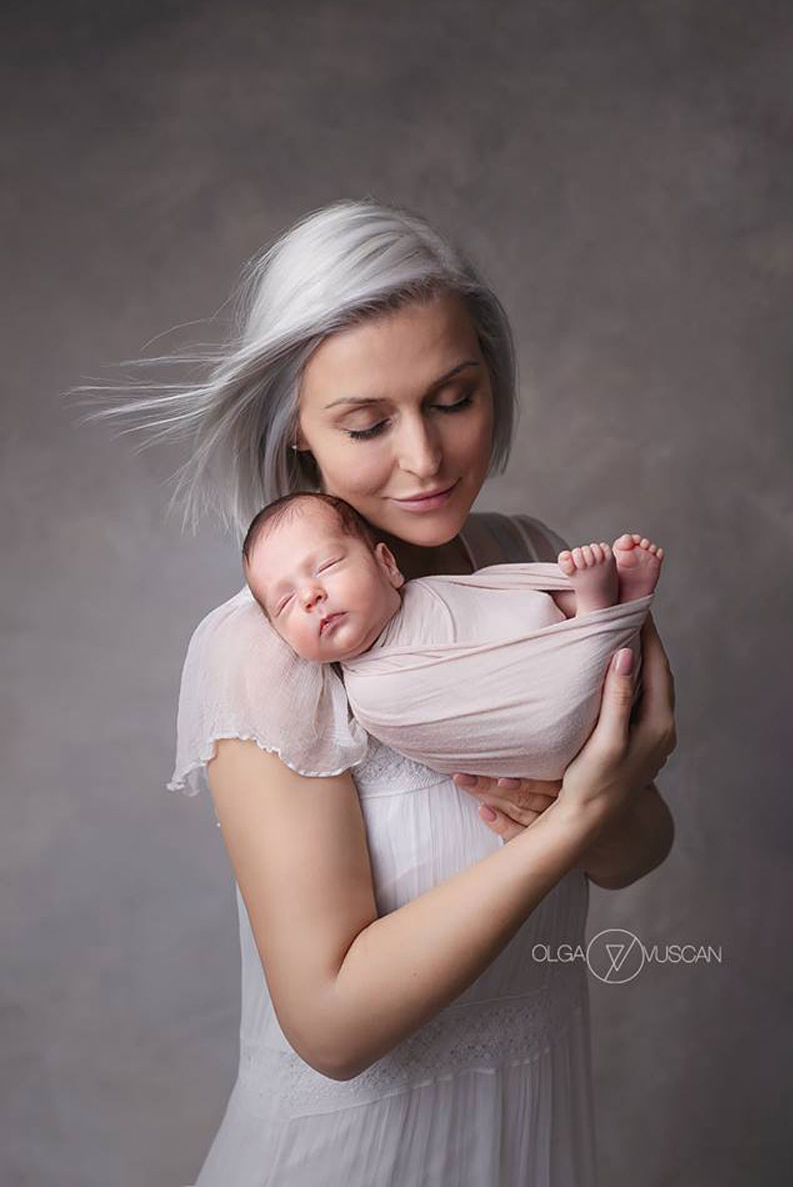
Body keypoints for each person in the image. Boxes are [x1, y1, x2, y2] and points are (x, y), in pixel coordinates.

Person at [78, 198, 676, 1186]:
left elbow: (640, 848)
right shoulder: (264, 655)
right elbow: (332, 1025)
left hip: (533, 1135)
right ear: (298, 436)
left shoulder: (532, 559)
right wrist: (570, 822)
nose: (425, 459)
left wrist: (605, 806)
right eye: (365, 423)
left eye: (452, 399)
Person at [240, 489, 664, 781]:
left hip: (567, 639)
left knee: (516, 589)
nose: (311, 596)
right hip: (564, 712)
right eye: (286, 603)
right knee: (584, 700)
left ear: (387, 565)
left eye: (326, 567)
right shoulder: (375, 694)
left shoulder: (428, 590)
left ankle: (596, 611)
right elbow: (541, 730)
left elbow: (503, 595)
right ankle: (603, 611)